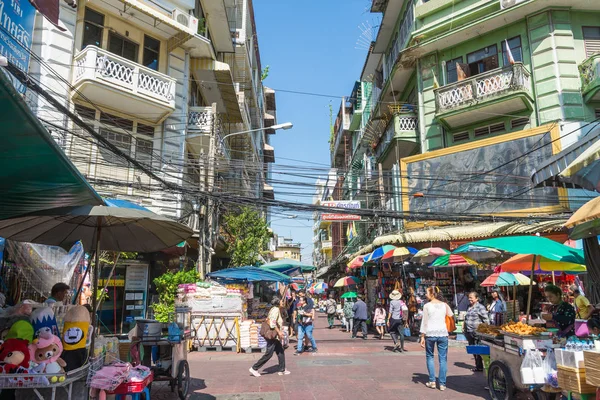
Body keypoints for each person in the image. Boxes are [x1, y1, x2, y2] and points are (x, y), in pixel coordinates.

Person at [419, 286, 453, 391]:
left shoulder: (427, 306)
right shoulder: (444, 305)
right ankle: (442, 384)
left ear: (432, 294)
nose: (425, 295)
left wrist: (422, 336)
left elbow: (424, 322)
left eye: (427, 293)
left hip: (430, 333)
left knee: (430, 357)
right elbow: (451, 315)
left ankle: (432, 381)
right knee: (443, 359)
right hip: (443, 333)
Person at [249, 296, 290, 376]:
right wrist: (279, 332)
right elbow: (272, 323)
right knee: (269, 354)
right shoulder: (275, 310)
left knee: (280, 351)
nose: (283, 302)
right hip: (272, 334)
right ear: (278, 302)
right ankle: (254, 368)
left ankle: (282, 369)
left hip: (275, 335)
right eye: (281, 301)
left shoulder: (275, 309)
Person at [464, 292, 490, 372]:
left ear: (476, 298)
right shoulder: (469, 307)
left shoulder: (480, 307)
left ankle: (481, 366)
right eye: (469, 297)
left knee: (478, 349)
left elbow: (486, 319)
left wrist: (486, 330)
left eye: (471, 297)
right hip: (469, 331)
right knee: (473, 349)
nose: (469, 299)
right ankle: (478, 366)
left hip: (476, 332)